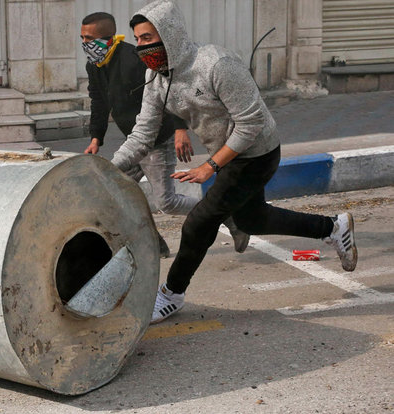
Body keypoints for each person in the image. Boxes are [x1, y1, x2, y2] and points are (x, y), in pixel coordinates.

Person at [110, 0, 358, 323]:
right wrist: (108, 169)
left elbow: (251, 123)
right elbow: (142, 135)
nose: (141, 47)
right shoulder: (156, 78)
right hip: (229, 155)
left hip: (257, 152)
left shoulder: (216, 63)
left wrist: (209, 166)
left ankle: (172, 293)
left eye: (147, 38)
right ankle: (334, 227)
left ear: (168, 34)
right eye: (137, 39)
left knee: (200, 221)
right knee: (253, 219)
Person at [80, 11, 249, 257]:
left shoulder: (133, 59)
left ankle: (227, 215)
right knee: (114, 193)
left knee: (166, 202)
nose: (85, 44)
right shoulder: (95, 65)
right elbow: (98, 100)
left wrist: (180, 128)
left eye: (88, 39)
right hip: (134, 141)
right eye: (82, 38)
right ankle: (153, 241)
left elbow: (167, 88)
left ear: (107, 38)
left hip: (156, 139)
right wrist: (96, 138)